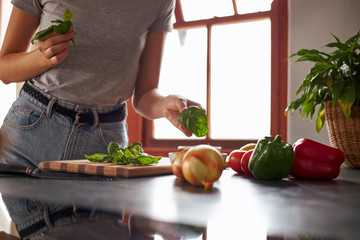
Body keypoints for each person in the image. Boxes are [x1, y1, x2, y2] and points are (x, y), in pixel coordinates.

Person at [0, 0, 201, 239]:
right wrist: (41, 57)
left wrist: (164, 104)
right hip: (32, 134)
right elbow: (4, 68)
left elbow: (145, 95)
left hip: (105, 147)